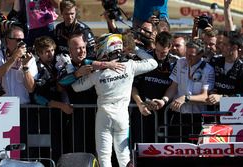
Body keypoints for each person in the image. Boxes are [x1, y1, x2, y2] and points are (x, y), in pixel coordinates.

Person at [71, 33, 158, 167]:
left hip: (104, 115)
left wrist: (80, 72)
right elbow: (153, 63)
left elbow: (76, 87)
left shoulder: (97, 72)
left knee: (104, 155)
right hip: (122, 116)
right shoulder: (130, 66)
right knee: (124, 155)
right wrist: (135, 49)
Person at [151, 39, 215, 142]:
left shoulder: (208, 70)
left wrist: (185, 98)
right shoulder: (180, 62)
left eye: (192, 55)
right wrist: (164, 100)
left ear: (201, 54)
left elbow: (205, 96)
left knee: (195, 150)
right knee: (175, 149)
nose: (188, 58)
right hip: (178, 115)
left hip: (197, 118)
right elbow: (173, 86)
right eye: (187, 54)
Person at [131, 31, 179, 143]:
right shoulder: (144, 58)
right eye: (157, 51)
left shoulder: (175, 62)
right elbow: (132, 86)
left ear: (170, 47)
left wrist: (163, 101)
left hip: (164, 112)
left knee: (162, 148)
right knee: (140, 146)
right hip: (142, 110)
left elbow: (174, 86)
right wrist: (140, 103)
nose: (159, 55)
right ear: (154, 44)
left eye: (163, 52)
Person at [0, 25, 38, 104]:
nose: (21, 43)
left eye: (23, 40)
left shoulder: (29, 58)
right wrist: (14, 57)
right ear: (8, 40)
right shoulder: (1, 54)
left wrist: (25, 67)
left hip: (23, 105)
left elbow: (31, 88)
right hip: (5, 105)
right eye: (18, 40)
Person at [207, 32, 243, 106]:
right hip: (212, 112)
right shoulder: (214, 61)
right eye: (221, 43)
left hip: (232, 114)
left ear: (235, 47)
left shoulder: (241, 68)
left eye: (225, 44)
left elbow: (241, 96)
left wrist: (222, 98)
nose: (221, 46)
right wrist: (210, 92)